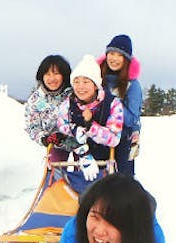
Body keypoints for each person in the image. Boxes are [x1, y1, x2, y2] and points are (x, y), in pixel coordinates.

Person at [53, 54, 124, 194]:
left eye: (86, 82)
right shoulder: (68, 104)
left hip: (106, 163)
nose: (80, 87)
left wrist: (90, 126)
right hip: (81, 161)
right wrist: (79, 138)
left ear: (95, 84)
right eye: (77, 82)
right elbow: (62, 126)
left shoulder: (112, 104)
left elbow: (114, 138)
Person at [98, 34, 143, 176]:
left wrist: (111, 102)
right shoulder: (96, 78)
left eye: (120, 55)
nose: (114, 59)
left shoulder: (132, 85)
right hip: (97, 135)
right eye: (111, 53)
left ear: (126, 59)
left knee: (122, 182)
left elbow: (132, 119)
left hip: (122, 138)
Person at [23, 55, 72, 171]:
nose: (52, 79)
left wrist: (67, 135)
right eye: (48, 74)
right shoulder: (36, 99)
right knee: (54, 173)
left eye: (56, 74)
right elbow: (32, 127)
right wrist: (44, 138)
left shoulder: (74, 94)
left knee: (84, 174)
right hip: (56, 145)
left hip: (79, 142)